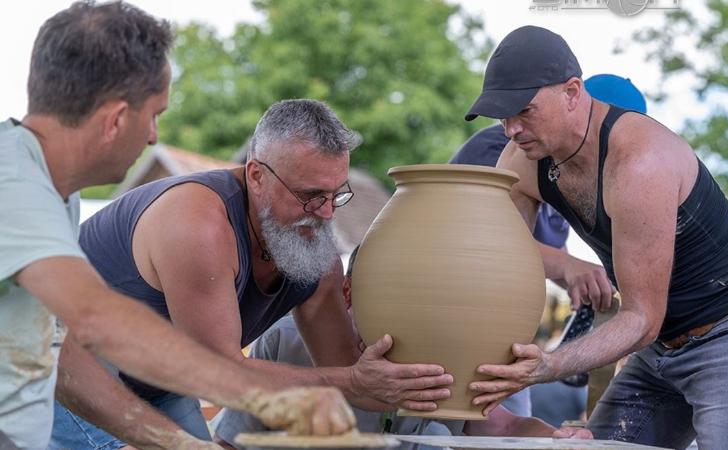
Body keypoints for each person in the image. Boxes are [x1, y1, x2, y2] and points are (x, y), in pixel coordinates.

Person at [0, 2, 356, 449]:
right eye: (154, 115)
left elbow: (63, 352)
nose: (153, 136)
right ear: (114, 120)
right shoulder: (13, 185)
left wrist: (178, 442)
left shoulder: (51, 187)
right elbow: (97, 321)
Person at [464, 26, 728, 450]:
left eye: (524, 111)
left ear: (572, 92)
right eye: (502, 115)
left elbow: (641, 317)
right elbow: (497, 258)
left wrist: (547, 364)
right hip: (660, 346)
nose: (511, 128)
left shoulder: (641, 161)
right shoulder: (522, 158)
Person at [51, 99, 455, 449]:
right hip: (69, 372)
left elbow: (354, 375)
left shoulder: (317, 254)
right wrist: (354, 381)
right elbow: (219, 374)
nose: (327, 213)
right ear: (257, 175)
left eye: (337, 195)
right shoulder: (197, 224)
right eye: (311, 196)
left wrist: (450, 377)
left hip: (161, 381)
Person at [212, 247, 592, 448]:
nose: (410, 312)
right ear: (348, 293)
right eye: (391, 295)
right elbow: (228, 441)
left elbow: (504, 426)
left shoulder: (442, 355)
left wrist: (558, 440)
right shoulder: (287, 340)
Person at [451, 74, 648, 422]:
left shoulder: (571, 169)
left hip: (501, 335)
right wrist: (569, 268)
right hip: (446, 321)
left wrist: (590, 284)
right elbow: (481, 240)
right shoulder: (505, 149)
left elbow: (545, 251)